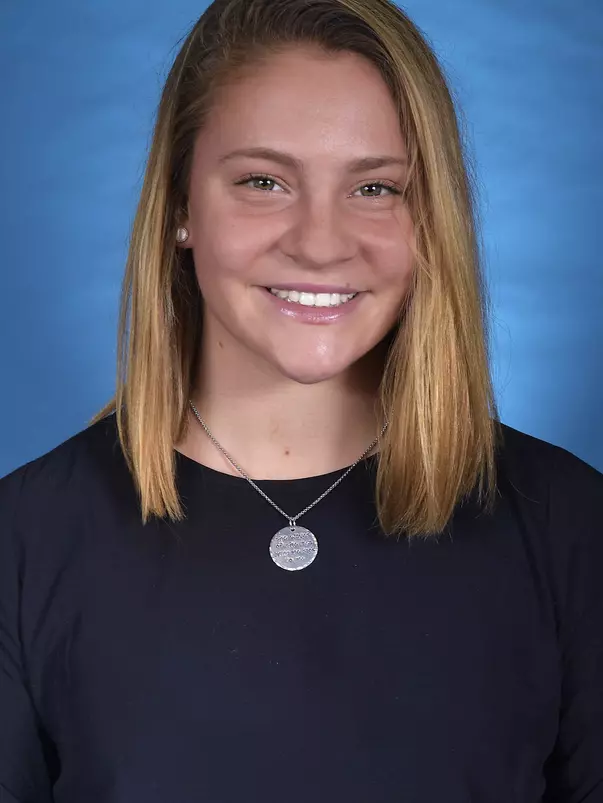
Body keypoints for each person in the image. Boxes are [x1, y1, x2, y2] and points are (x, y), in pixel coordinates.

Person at [1, 0, 601, 799]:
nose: (320, 243)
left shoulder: (569, 526)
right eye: (263, 181)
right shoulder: (25, 540)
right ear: (180, 205)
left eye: (375, 187)